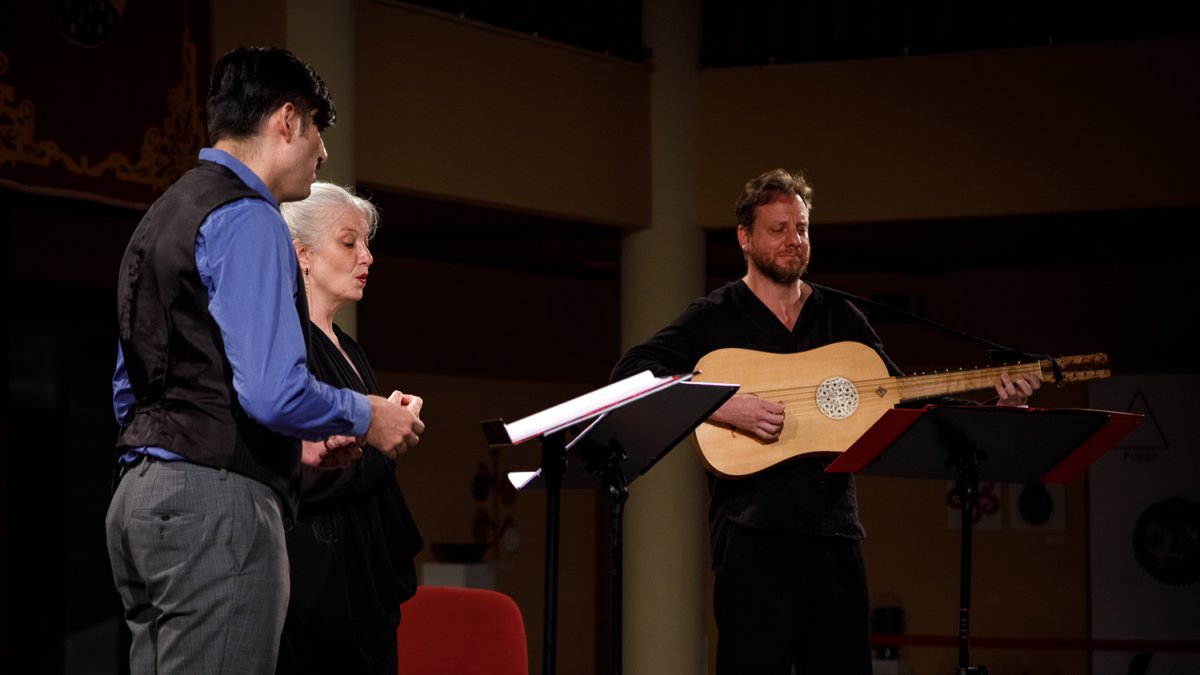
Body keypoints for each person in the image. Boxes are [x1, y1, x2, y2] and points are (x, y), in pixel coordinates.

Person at [610, 168, 1040, 674]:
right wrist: (720, 405)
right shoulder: (715, 315)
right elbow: (631, 374)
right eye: (779, 230)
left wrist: (994, 403)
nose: (794, 241)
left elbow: (900, 404)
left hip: (836, 534)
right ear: (745, 238)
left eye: (802, 228)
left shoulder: (841, 318)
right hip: (753, 535)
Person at [106, 47, 425, 675]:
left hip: (138, 502)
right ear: (286, 120)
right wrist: (367, 416)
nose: (324, 153)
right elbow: (274, 393)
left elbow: (132, 387)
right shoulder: (248, 215)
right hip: (216, 509)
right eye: (318, 131)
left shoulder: (164, 213)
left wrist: (286, 450)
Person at [274, 182, 424, 674]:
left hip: (359, 572)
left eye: (366, 243)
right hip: (316, 576)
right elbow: (288, 462)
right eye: (349, 242)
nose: (368, 257)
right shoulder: (287, 346)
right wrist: (370, 432)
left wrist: (389, 418)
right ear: (303, 256)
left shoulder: (349, 347)